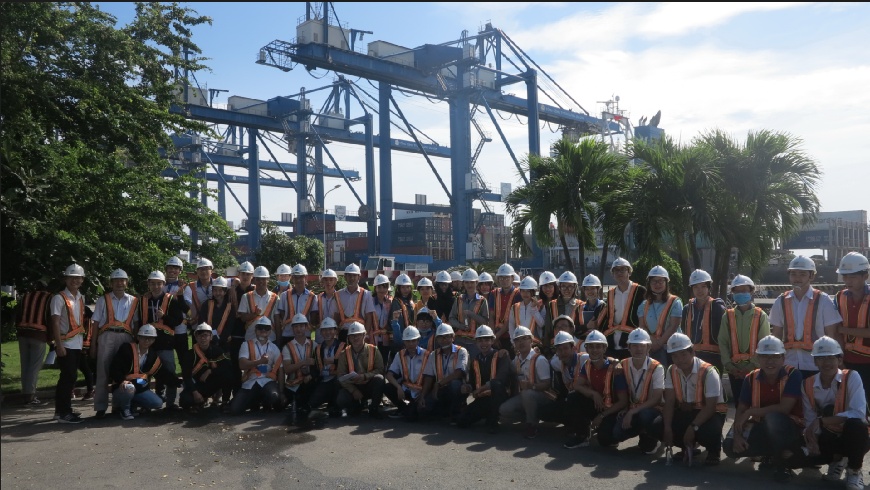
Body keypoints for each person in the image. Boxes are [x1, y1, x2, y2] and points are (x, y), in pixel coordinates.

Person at [722, 336, 804, 481]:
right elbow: (741, 409)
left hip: (790, 429)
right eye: (765, 357)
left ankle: (782, 463)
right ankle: (770, 453)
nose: (770, 361)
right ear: (758, 358)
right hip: (762, 426)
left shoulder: (793, 375)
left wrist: (751, 412)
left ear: (783, 358)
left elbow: (784, 408)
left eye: (775, 357)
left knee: (773, 418)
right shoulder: (750, 378)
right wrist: (737, 435)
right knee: (730, 446)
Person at [801, 336, 868, 490]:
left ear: (839, 360)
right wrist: (812, 441)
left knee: (856, 426)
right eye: (821, 358)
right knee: (801, 458)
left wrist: (822, 421)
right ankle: (837, 460)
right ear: (815, 361)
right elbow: (810, 419)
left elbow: (858, 413)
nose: (826, 363)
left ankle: (854, 470)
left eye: (831, 358)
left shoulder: (852, 376)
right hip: (829, 434)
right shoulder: (807, 384)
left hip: (856, 434)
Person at [652, 333, 727, 466]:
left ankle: (713, 450)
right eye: (675, 356)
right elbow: (669, 402)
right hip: (686, 411)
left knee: (709, 430)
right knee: (657, 426)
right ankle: (686, 447)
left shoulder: (709, 372)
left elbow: (710, 407)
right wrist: (667, 428)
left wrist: (692, 428)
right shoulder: (671, 370)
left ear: (692, 352)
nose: (679, 360)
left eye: (683, 354)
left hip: (709, 414)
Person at [770, 256, 842, 380]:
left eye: (802, 274)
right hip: (789, 364)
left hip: (816, 365)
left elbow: (832, 335)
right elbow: (776, 335)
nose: (797, 278)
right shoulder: (780, 301)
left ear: (811, 276)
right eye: (793, 274)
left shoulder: (823, 300)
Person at [565, 330, 628, 448]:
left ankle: (608, 430)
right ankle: (582, 435)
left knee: (605, 440)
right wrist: (594, 394)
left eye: (598, 346)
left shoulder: (615, 369)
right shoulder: (587, 365)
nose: (594, 350)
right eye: (591, 347)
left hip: (613, 410)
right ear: (586, 349)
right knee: (573, 397)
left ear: (604, 349)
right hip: (598, 404)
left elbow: (623, 401)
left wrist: (602, 416)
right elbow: (577, 385)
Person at [90, 268, 139, 418]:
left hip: (126, 338)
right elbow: (95, 323)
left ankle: (118, 405)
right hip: (107, 337)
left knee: (123, 372)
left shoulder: (133, 301)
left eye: (122, 280)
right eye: (116, 281)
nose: (119, 283)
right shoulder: (103, 300)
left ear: (127, 283)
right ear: (111, 283)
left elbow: (136, 324)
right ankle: (100, 407)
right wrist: (93, 345)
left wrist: (135, 344)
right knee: (103, 372)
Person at [718, 275, 770, 407]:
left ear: (751, 291)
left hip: (755, 369)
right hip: (734, 371)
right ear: (733, 293)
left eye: (744, 290)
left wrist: (751, 366)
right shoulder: (727, 316)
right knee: (739, 403)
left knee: (755, 403)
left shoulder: (760, 315)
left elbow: (764, 343)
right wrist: (729, 366)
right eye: (737, 291)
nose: (741, 294)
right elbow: (723, 342)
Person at [141, 270, 190, 411]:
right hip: (147, 343)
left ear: (163, 284)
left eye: (159, 284)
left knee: (170, 371)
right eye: (153, 284)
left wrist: (164, 317)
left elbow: (178, 320)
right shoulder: (144, 300)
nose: (156, 286)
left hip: (165, 342)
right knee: (145, 372)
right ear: (149, 284)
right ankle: (146, 402)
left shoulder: (171, 300)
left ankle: (170, 403)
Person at [499, 326, 559, 439]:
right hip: (526, 396)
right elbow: (509, 371)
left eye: (524, 338)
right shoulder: (517, 359)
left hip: (544, 396)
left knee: (527, 393)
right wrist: (504, 353)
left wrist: (531, 386)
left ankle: (532, 425)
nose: (521, 342)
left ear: (531, 340)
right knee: (504, 409)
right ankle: (529, 416)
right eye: (517, 340)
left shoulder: (539, 360)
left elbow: (547, 384)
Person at [612, 329, 665, 454]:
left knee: (644, 416)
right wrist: (627, 410)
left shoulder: (657, 367)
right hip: (632, 409)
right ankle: (641, 430)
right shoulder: (623, 364)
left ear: (648, 347)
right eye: (635, 345)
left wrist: (632, 412)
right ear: (629, 347)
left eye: (642, 345)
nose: (639, 349)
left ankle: (650, 434)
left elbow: (657, 398)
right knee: (616, 434)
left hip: (651, 411)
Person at [109, 324, 175, 419]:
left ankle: (132, 406)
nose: (147, 341)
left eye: (150, 338)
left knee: (157, 403)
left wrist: (176, 381)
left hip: (139, 387)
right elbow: (114, 368)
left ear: (154, 340)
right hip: (122, 387)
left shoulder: (152, 355)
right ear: (138, 337)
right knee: (129, 388)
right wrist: (121, 380)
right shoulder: (126, 349)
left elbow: (161, 373)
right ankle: (124, 410)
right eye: (144, 337)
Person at [832, 252, 870, 410]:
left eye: (852, 277)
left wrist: (843, 329)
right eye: (845, 276)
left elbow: (839, 329)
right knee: (850, 405)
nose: (848, 281)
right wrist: (840, 357)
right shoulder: (839, 297)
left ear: (865, 276)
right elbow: (835, 332)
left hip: (868, 363)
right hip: (847, 361)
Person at [51, 263, 87, 423]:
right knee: (68, 378)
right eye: (71, 277)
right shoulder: (58, 298)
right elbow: (55, 322)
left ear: (82, 280)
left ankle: (61, 410)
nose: (75, 280)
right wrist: (58, 345)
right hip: (65, 344)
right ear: (65, 279)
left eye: (78, 278)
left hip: (77, 344)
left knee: (69, 378)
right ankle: (64, 413)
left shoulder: (80, 297)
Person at [457, 326, 510, 432]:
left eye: (486, 340)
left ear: (492, 341)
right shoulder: (475, 360)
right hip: (483, 399)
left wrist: (481, 389)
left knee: (497, 385)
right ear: (476, 342)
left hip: (500, 397)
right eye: (480, 340)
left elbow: (500, 379)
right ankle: (487, 414)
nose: (483, 343)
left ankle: (493, 421)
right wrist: (467, 387)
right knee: (462, 421)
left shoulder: (501, 356)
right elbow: (472, 383)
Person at [230, 317, 282, 415]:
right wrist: (259, 362)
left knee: (274, 397)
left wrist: (281, 391)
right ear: (255, 329)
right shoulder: (246, 345)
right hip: (250, 382)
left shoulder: (274, 348)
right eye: (260, 327)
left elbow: (281, 368)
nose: (263, 330)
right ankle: (254, 401)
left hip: (267, 381)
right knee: (235, 409)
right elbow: (242, 365)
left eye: (266, 328)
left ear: (270, 331)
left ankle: (263, 401)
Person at [596, 258, 646, 361]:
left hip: (633, 343)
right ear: (613, 274)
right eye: (616, 270)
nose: (619, 273)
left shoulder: (640, 291)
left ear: (629, 272)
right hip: (613, 343)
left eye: (623, 269)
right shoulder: (611, 294)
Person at [335, 321, 386, 418]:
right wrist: (353, 390)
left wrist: (365, 376)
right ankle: (356, 406)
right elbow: (341, 376)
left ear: (364, 335)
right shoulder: (343, 354)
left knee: (379, 379)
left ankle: (374, 408)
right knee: (341, 398)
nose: (355, 338)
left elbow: (380, 369)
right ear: (348, 338)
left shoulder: (374, 350)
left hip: (368, 384)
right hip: (353, 385)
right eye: (352, 336)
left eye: (358, 335)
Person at [180, 323, 233, 415]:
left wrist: (210, 371)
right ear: (196, 338)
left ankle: (225, 402)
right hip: (198, 385)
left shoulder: (217, 351)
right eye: (200, 336)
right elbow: (186, 376)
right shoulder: (189, 354)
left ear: (211, 337)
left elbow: (227, 368)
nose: (203, 338)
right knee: (185, 401)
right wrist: (195, 392)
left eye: (205, 335)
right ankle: (199, 402)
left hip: (213, 383)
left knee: (228, 375)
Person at [420, 324, 468, 422]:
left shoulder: (461, 351)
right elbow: (428, 377)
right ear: (437, 339)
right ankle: (445, 410)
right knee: (422, 410)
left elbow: (458, 373)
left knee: (455, 384)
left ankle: (457, 411)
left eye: (447, 336)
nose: (443, 340)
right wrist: (422, 396)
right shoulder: (433, 354)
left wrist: (438, 384)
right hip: (440, 390)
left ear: (453, 337)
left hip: (457, 389)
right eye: (440, 337)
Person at [15, 280, 51, 405]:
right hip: (38, 335)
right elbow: (50, 318)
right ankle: (30, 396)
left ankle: (25, 393)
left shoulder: (26, 296)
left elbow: (18, 315)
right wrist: (51, 339)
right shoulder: (49, 298)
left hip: (23, 333)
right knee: (34, 367)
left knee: (25, 365)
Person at [638, 266, 682, 366]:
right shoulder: (643, 305)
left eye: (661, 281)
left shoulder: (675, 302)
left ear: (666, 283)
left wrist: (659, 343)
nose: (657, 284)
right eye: (654, 281)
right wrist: (653, 342)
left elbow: (673, 326)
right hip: (652, 347)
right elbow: (642, 326)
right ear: (649, 284)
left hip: (673, 348)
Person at [550, 331, 589, 447]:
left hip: (590, 398)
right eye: (559, 350)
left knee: (573, 398)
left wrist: (614, 362)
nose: (563, 352)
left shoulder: (585, 358)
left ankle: (582, 436)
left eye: (566, 348)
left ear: (574, 348)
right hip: (575, 398)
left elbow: (604, 359)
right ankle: (572, 426)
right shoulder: (558, 363)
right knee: (546, 411)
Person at [385, 326, 431, 421]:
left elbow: (429, 378)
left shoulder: (426, 355)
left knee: (413, 417)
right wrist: (398, 387)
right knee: (387, 387)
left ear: (418, 340)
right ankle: (403, 408)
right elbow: (389, 374)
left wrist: (422, 395)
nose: (411, 344)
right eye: (408, 341)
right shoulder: (399, 355)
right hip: (406, 390)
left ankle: (409, 410)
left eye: (413, 341)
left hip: (421, 392)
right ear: (404, 342)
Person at [683, 269, 726, 370]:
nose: (700, 290)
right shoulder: (687, 309)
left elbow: (725, 335)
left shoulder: (717, 308)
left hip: (714, 358)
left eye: (703, 286)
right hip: (692, 357)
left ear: (709, 287)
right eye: (696, 287)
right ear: (692, 289)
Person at [282, 313, 317, 425]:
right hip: (292, 385)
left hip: (308, 383)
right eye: (296, 326)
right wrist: (303, 363)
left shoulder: (315, 345)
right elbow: (287, 369)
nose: (299, 329)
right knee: (279, 405)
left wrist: (311, 373)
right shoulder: (287, 347)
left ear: (306, 327)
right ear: (292, 329)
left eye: (301, 326)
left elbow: (318, 367)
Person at [276, 264, 318, 350]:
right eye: (296, 277)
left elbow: (313, 318)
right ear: (292, 278)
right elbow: (281, 315)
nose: (298, 280)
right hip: (288, 334)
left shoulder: (312, 297)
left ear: (306, 278)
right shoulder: (284, 295)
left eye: (301, 277)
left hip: (305, 335)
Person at [449, 269, 489, 358]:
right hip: (459, 340)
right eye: (467, 282)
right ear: (463, 283)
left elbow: (485, 321)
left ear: (476, 283)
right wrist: (460, 326)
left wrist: (472, 314)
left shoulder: (482, 301)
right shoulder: (458, 299)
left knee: (475, 364)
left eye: (472, 282)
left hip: (475, 342)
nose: (469, 285)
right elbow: (451, 318)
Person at [309, 318, 345, 417]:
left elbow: (347, 364)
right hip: (324, 380)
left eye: (330, 329)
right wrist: (311, 375)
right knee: (313, 403)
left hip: (338, 380)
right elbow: (315, 367)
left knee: (337, 384)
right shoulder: (318, 348)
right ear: (321, 332)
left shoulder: (343, 346)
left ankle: (335, 404)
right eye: (324, 330)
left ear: (335, 331)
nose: (327, 332)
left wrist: (334, 361)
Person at [543, 271, 582, 357]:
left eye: (570, 286)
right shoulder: (552, 305)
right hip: (555, 348)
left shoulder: (581, 305)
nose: (567, 289)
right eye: (564, 286)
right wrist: (546, 350)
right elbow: (548, 330)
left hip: (574, 347)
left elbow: (581, 330)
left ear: (575, 287)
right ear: (559, 287)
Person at [336, 263, 376, 344]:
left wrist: (366, 335)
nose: (352, 278)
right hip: (343, 333)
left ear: (359, 277)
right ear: (345, 277)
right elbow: (336, 315)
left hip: (359, 333)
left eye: (354, 275)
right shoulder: (338, 294)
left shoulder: (366, 294)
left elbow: (369, 317)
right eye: (349, 275)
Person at [238, 266, 279, 342]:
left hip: (270, 339)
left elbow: (277, 320)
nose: (261, 281)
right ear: (254, 280)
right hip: (251, 338)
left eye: (263, 279)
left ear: (268, 280)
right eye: (258, 279)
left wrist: (279, 340)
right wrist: (254, 314)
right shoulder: (246, 297)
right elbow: (243, 318)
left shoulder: (275, 298)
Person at [491, 263, 522, 350]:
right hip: (496, 335)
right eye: (501, 278)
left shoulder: (518, 294)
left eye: (507, 278)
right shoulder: (494, 293)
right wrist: (493, 336)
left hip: (511, 335)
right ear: (498, 279)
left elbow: (513, 319)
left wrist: (496, 336)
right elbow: (491, 316)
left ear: (512, 278)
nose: (504, 280)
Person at [508, 276, 544, 349]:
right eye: (523, 291)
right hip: (519, 345)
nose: (525, 294)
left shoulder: (540, 306)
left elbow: (542, 324)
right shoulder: (515, 307)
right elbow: (511, 326)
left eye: (528, 291)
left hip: (535, 345)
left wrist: (534, 309)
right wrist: (513, 343)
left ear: (533, 292)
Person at [578, 274, 606, 341]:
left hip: (600, 339)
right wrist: (586, 327)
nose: (590, 291)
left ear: (598, 289)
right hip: (584, 340)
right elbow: (576, 329)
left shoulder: (604, 306)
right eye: (587, 289)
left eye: (592, 288)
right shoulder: (580, 307)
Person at [317, 269, 341, 342]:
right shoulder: (318, 298)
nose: (328, 282)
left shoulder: (340, 297)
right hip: (321, 333)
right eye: (326, 280)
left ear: (335, 281)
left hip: (334, 333)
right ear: (322, 281)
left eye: (331, 279)